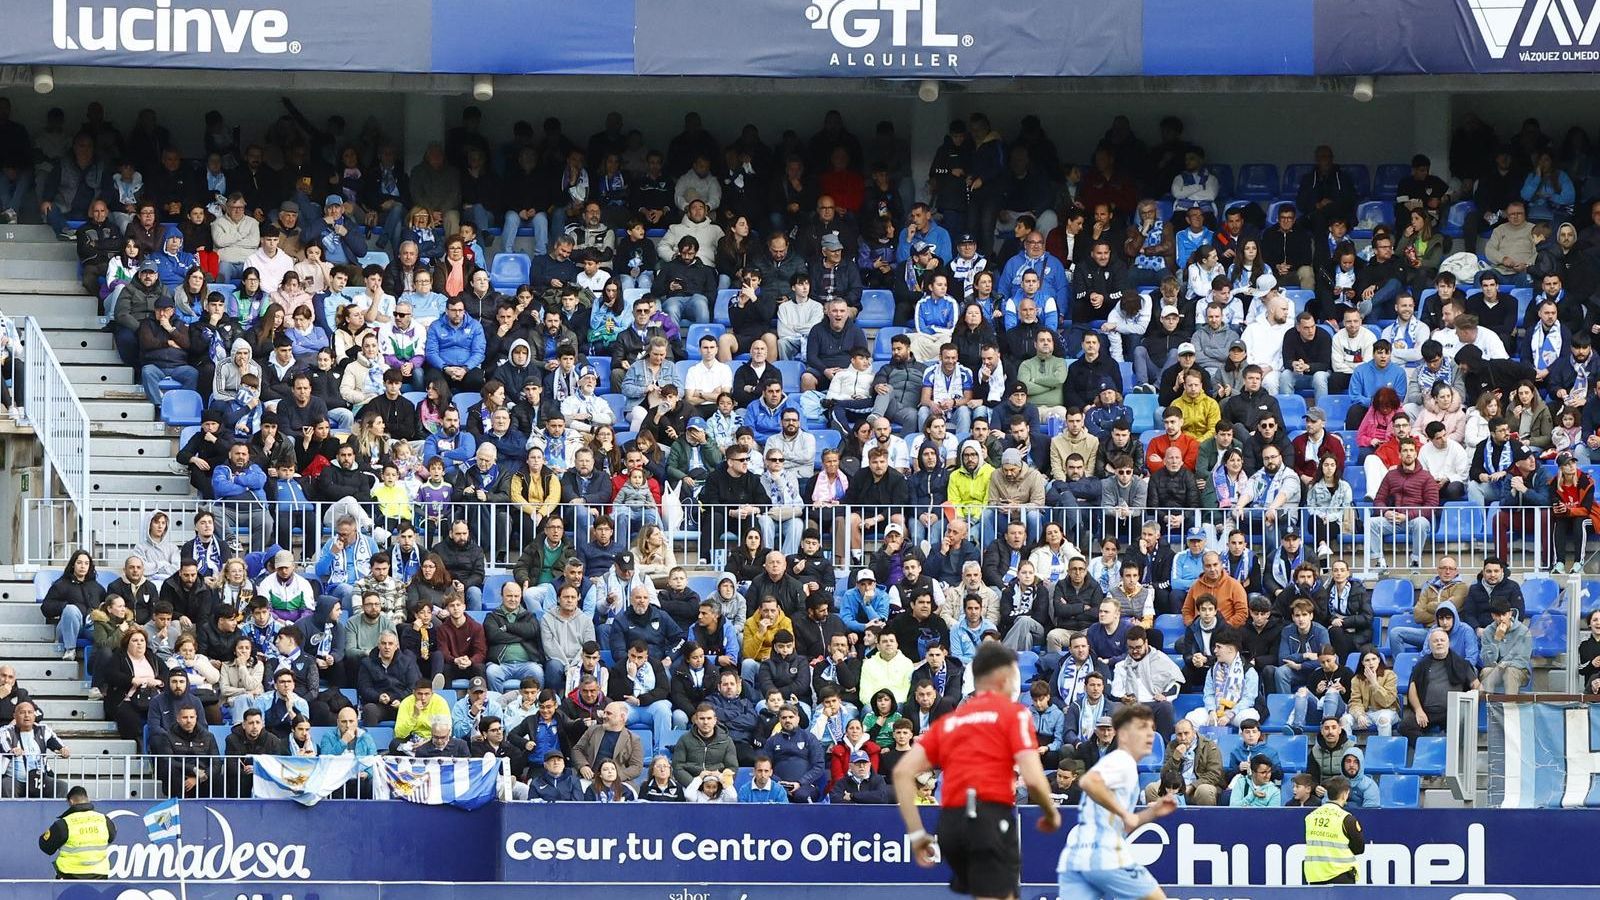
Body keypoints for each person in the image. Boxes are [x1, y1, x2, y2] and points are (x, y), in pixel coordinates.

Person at [892, 642, 1060, 900]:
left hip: (950, 824)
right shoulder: (1013, 714)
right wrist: (1050, 813)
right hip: (988, 817)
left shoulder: (950, 722)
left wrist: (916, 833)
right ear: (1006, 677)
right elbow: (1034, 776)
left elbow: (902, 773)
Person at [1057, 704, 1178, 900]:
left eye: (1151, 728)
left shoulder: (1121, 764)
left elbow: (1121, 825)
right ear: (1123, 735)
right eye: (1141, 728)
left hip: (1078, 857)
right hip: (1104, 856)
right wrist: (1125, 813)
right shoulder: (1122, 761)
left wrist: (1152, 813)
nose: (1149, 734)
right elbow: (1089, 782)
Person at [38, 785, 114, 880]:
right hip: (100, 877)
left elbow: (46, 846)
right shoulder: (104, 820)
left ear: (71, 801)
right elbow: (111, 837)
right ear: (87, 799)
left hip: (70, 877)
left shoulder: (64, 823)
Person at [1302, 776, 1365, 885]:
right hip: (1340, 875)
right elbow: (1359, 848)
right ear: (1345, 794)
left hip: (1315, 875)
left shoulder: (1310, 817)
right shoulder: (1347, 819)